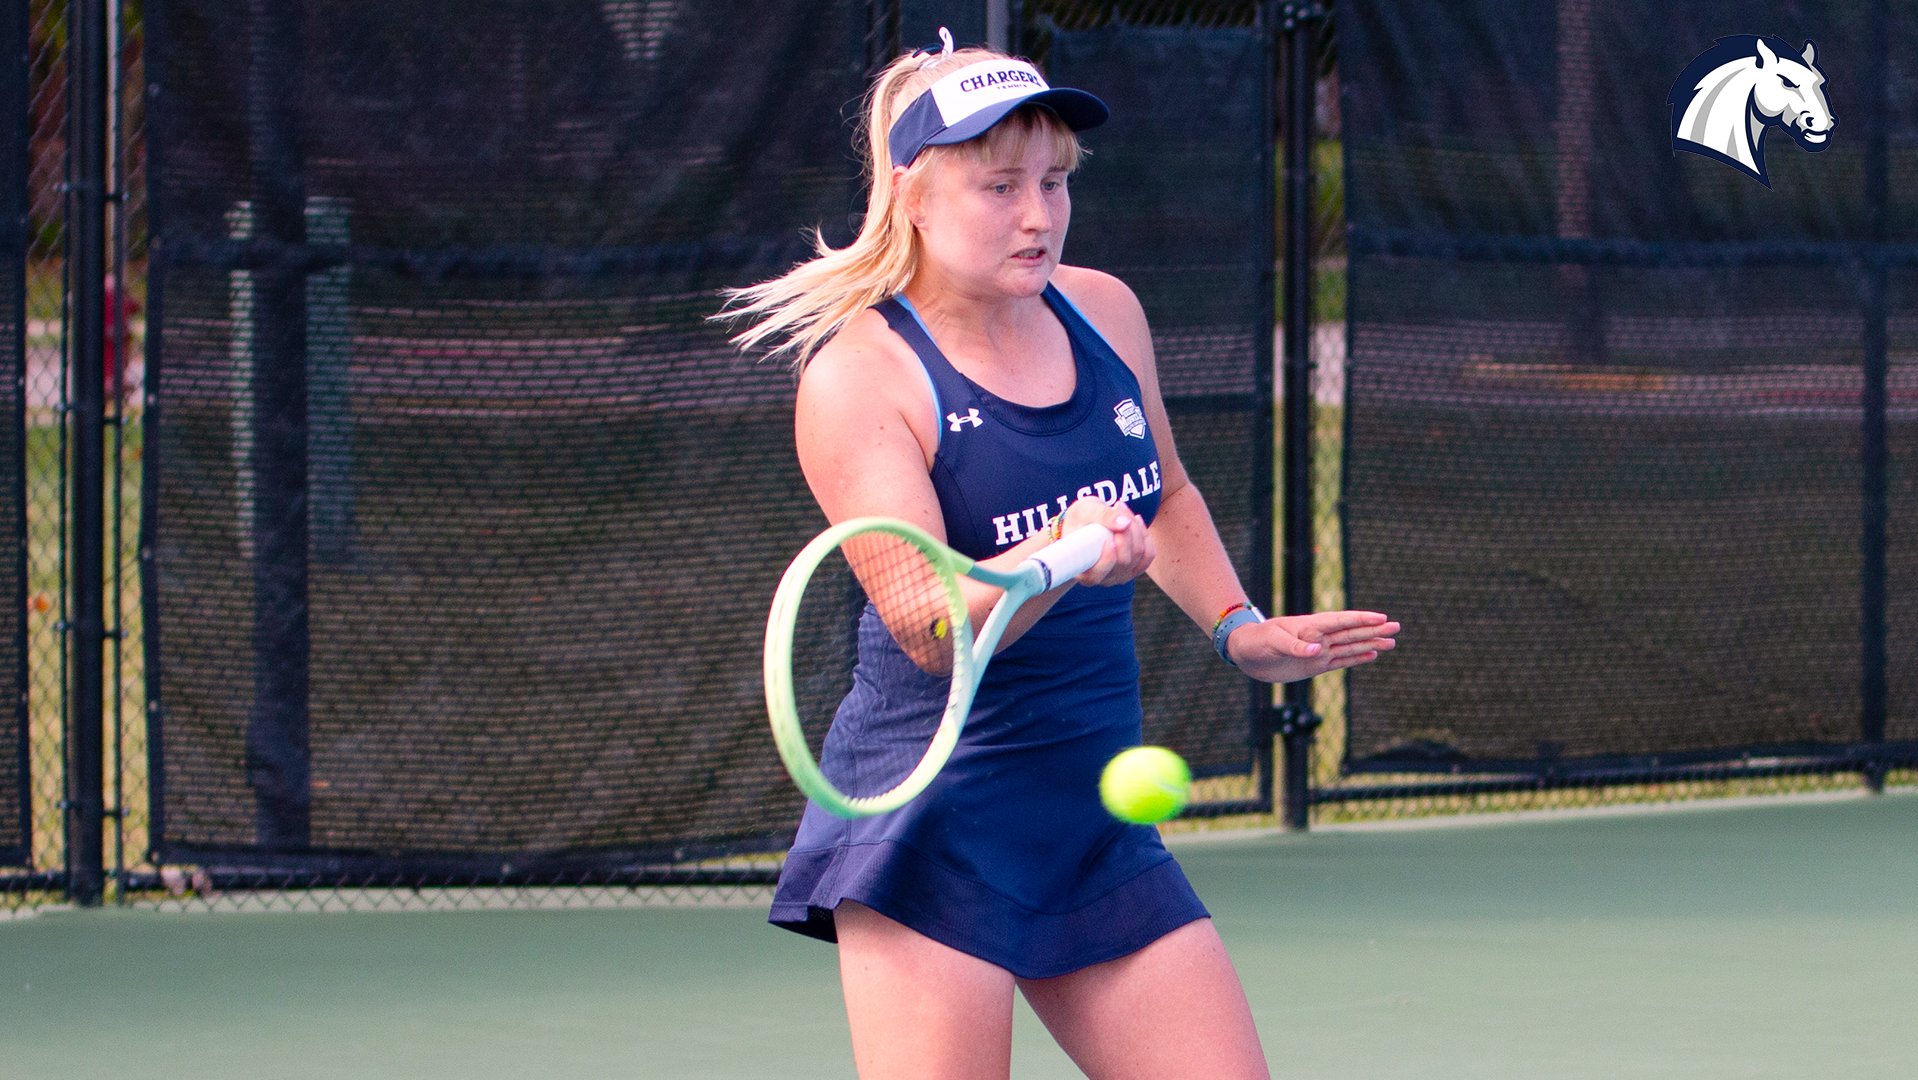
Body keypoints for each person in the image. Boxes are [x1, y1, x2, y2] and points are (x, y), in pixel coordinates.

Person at [724, 34, 1399, 1080]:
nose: (1037, 215)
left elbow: (1163, 490)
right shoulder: (860, 378)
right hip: (933, 819)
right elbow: (930, 628)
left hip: (1090, 809)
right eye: (999, 186)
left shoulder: (1103, 310)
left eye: (1053, 181)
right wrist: (1053, 554)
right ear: (912, 193)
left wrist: (1239, 630)